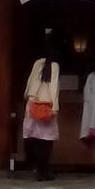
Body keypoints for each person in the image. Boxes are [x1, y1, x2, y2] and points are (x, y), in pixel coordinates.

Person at [23, 39, 60, 180]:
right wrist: (55, 107)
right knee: (47, 140)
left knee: (36, 138)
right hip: (47, 106)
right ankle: (44, 170)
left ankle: (38, 169)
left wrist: (28, 97)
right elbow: (54, 87)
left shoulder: (37, 63)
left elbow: (29, 83)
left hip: (33, 104)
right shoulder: (55, 66)